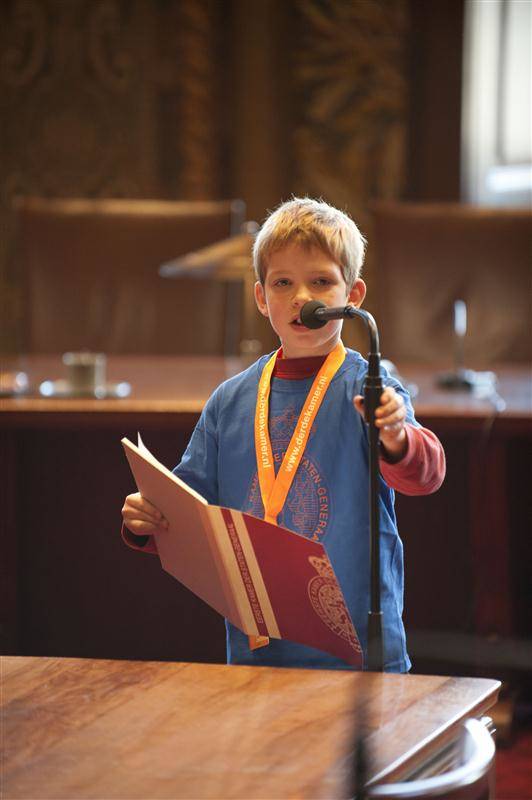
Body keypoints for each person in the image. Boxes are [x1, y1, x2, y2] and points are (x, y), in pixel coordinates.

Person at [122, 197, 445, 672]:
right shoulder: (230, 400)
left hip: (357, 648)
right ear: (260, 297)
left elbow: (425, 474)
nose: (301, 298)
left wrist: (395, 435)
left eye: (320, 282)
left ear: (352, 296)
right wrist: (145, 519)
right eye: (283, 283)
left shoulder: (369, 383)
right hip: (260, 649)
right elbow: (186, 509)